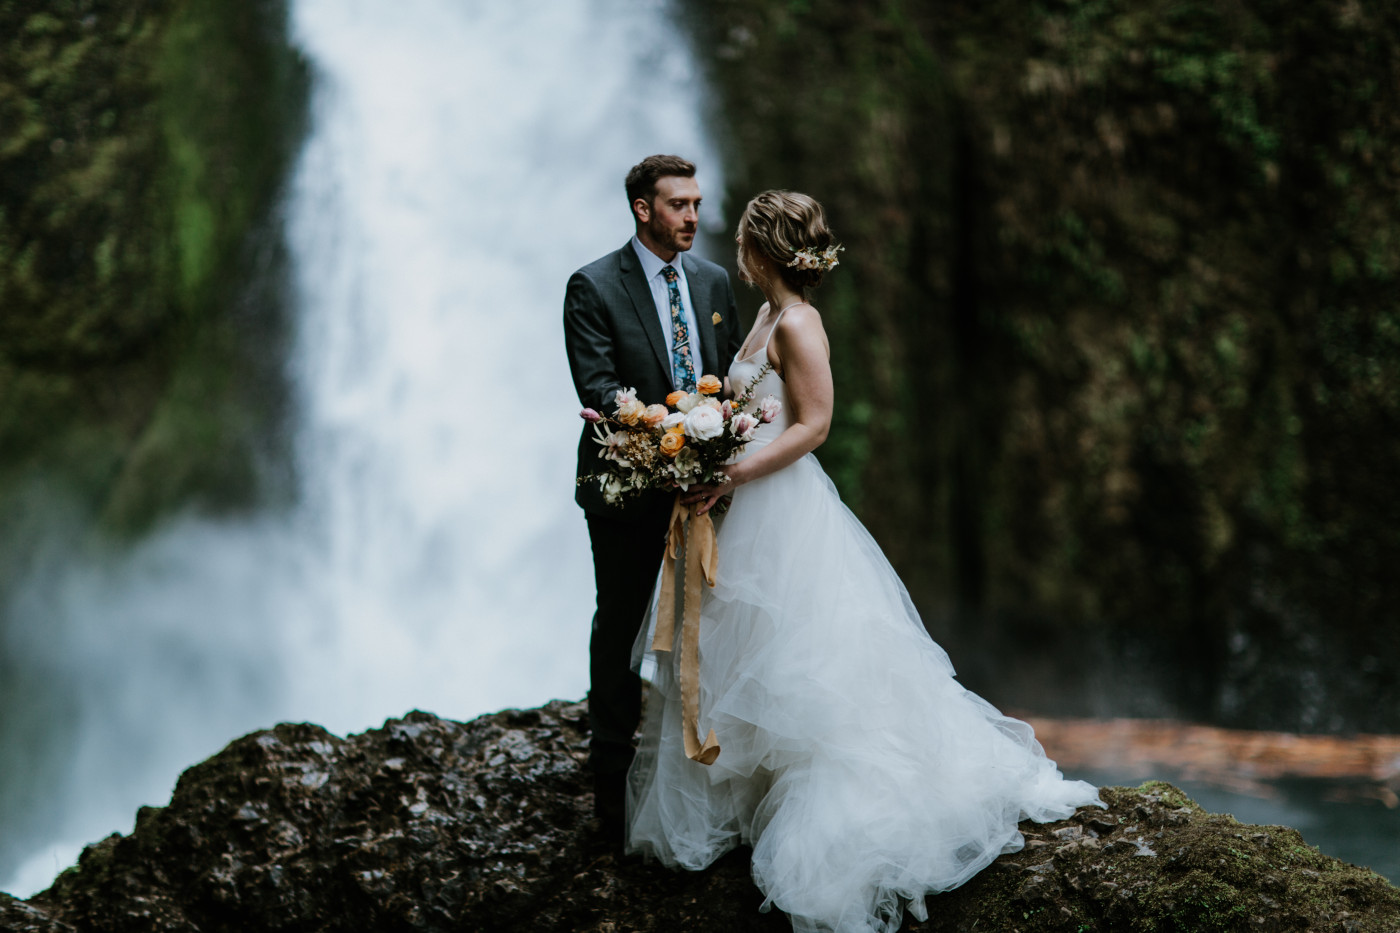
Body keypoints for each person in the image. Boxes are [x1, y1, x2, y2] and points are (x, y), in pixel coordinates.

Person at [625, 190, 1103, 933]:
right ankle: (756, 796)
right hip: (746, 506)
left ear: (761, 250)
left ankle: (836, 809)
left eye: (746, 241)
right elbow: (754, 408)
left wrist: (735, 470)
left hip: (783, 508)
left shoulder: (801, 325)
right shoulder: (764, 316)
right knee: (747, 653)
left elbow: (815, 425)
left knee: (803, 662)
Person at [563, 155, 744, 840]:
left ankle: (704, 779)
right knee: (622, 627)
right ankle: (610, 784)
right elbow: (598, 386)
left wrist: (716, 445)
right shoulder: (593, 285)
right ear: (643, 209)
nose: (693, 216)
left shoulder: (714, 280)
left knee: (712, 626)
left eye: (697, 203)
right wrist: (673, 436)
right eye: (678, 205)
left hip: (706, 494)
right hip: (625, 489)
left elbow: (725, 380)